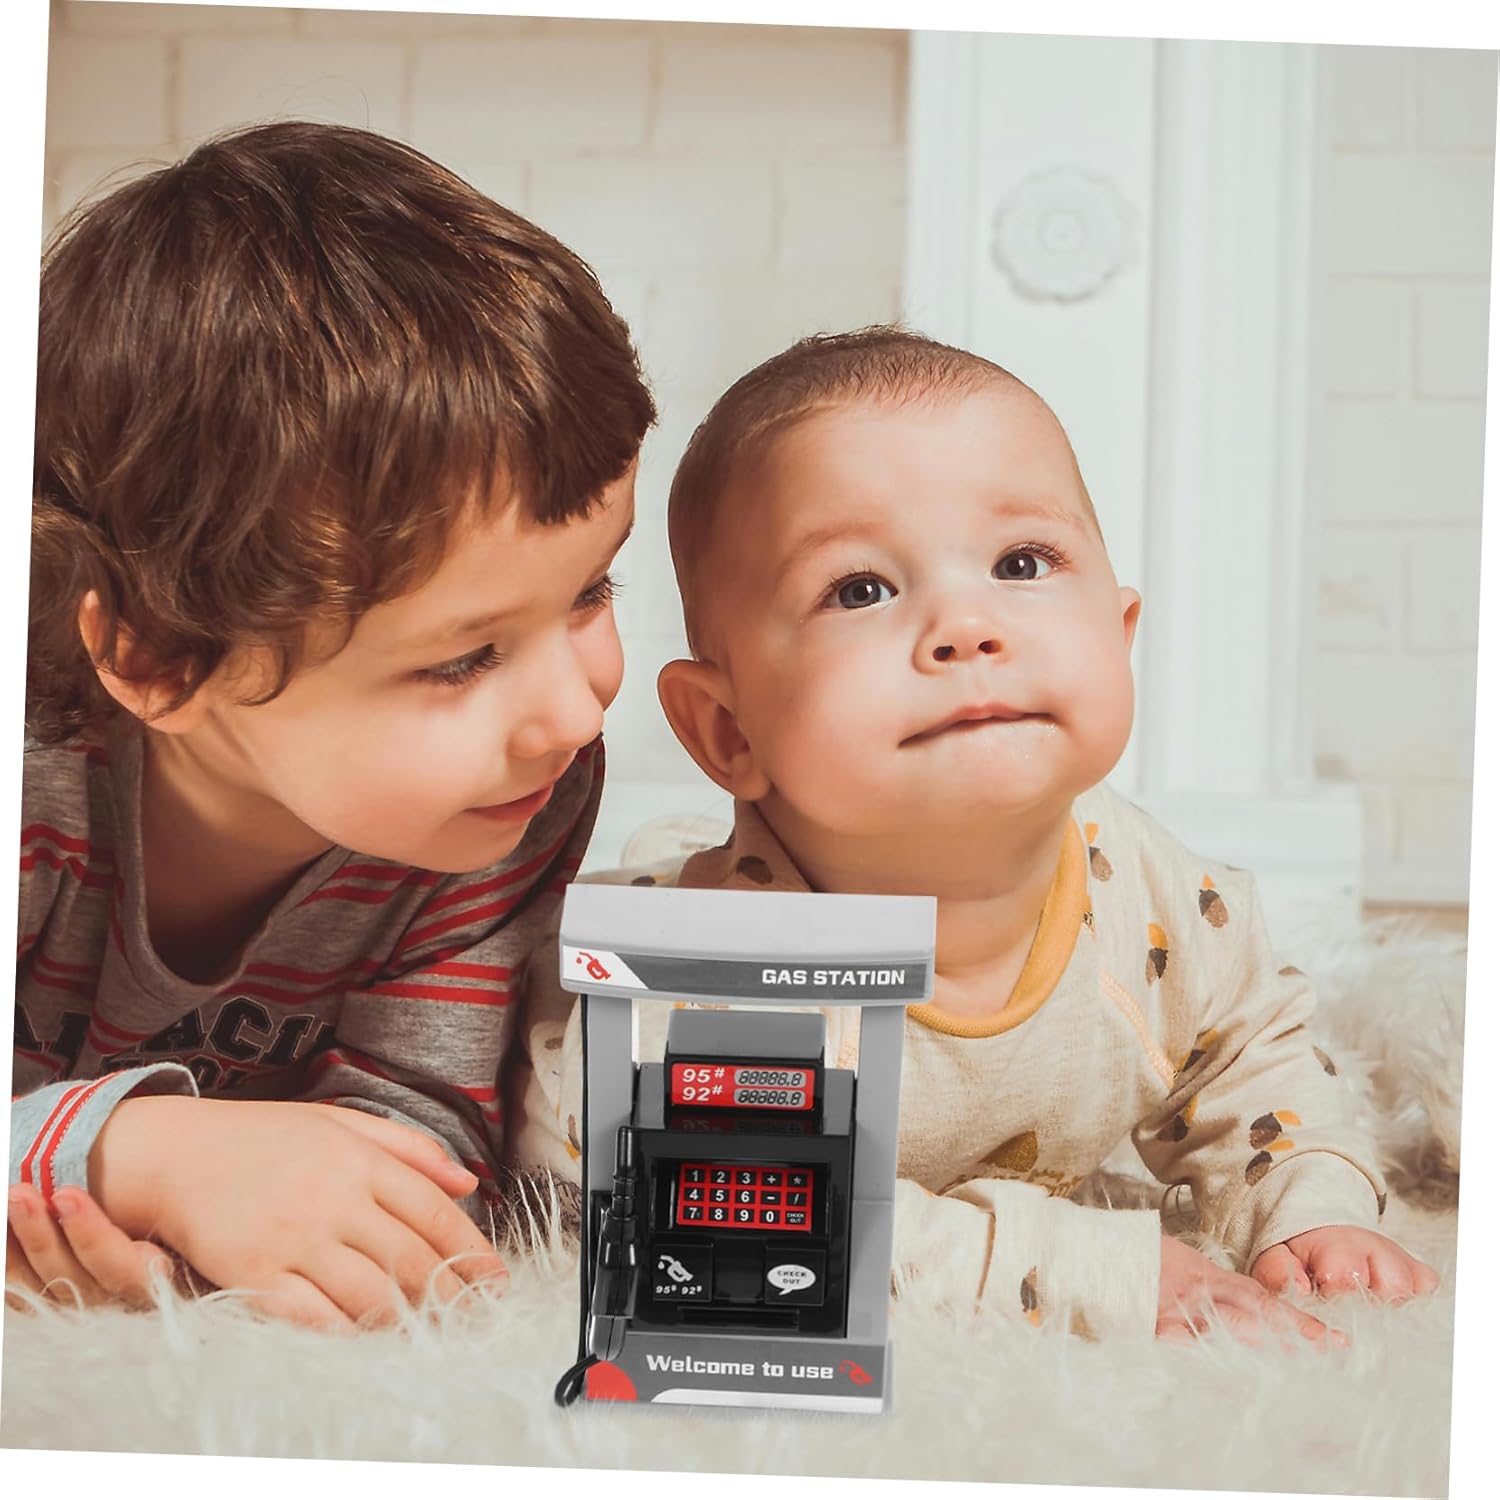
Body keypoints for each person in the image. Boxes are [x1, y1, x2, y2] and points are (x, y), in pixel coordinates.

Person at [511, 326, 1437, 1343]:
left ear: (1118, 635)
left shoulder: (1161, 904)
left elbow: (1256, 1063)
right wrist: (1082, 1268)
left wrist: (1310, 1204)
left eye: (1021, 562)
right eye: (860, 589)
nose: (966, 625)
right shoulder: (711, 969)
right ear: (729, 730)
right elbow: (739, 1219)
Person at [8, 121, 655, 1331]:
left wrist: (253, 1217)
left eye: (590, 591)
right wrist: (137, 1156)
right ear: (157, 659)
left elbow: (417, 1145)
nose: (576, 711)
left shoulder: (508, 797)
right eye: (461, 658)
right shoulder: (31, 789)